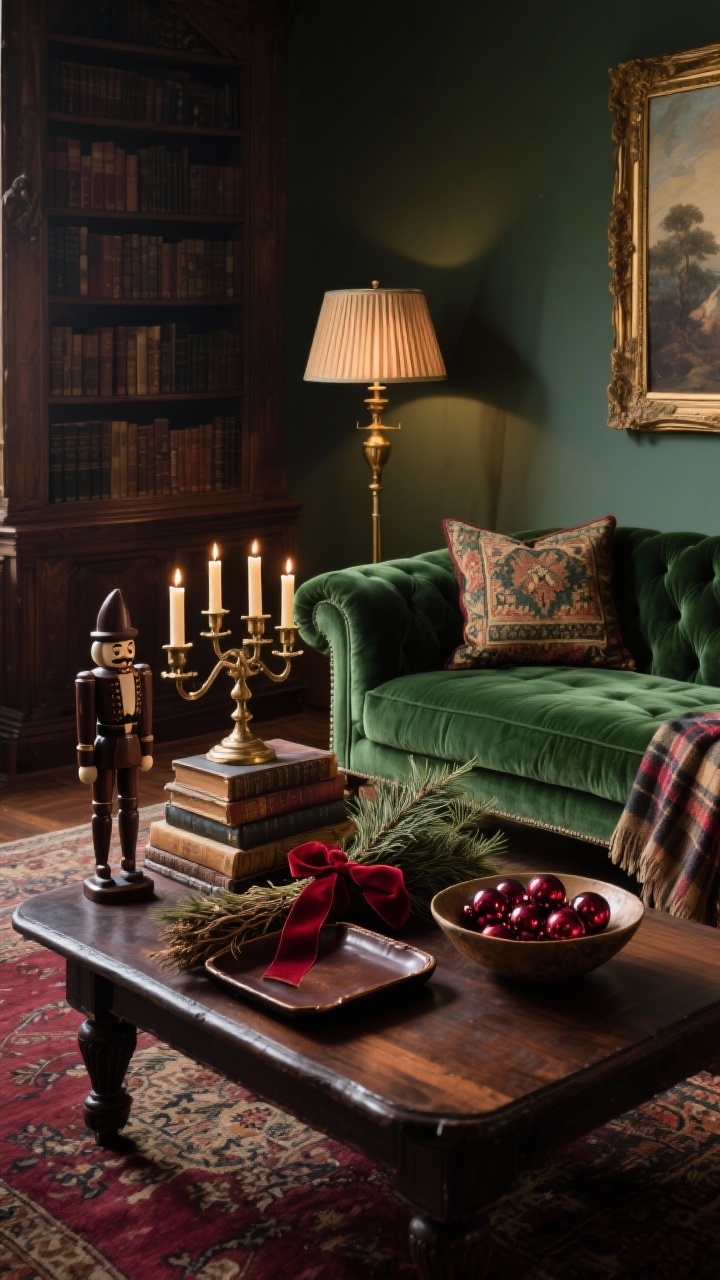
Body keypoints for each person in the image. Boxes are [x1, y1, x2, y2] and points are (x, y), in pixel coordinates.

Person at [76, 589, 154, 902]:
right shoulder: (90, 679)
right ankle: (101, 865)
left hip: (132, 744)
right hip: (104, 745)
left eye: (128, 645)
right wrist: (85, 759)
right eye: (117, 646)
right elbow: (84, 722)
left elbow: (146, 714)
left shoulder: (141, 674)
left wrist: (147, 749)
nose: (124, 652)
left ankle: (130, 863)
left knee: (131, 806)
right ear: (101, 647)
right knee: (102, 810)